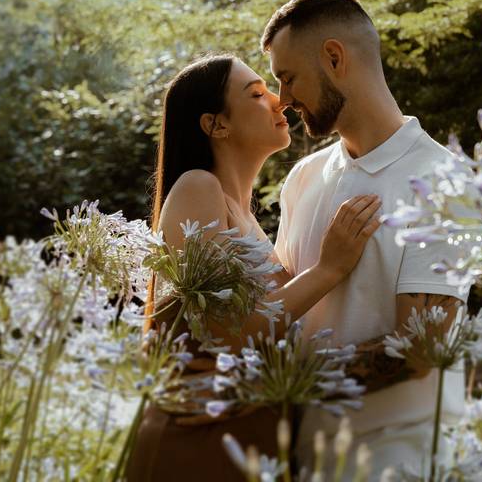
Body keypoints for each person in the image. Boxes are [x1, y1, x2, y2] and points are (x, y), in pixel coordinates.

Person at [126, 53, 381, 482]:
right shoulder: (197, 187)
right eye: (257, 94)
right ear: (216, 125)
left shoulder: (251, 224)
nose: (280, 102)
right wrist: (328, 269)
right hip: (198, 444)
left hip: (250, 437)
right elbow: (223, 328)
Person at [264, 0, 468, 478]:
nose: (284, 100)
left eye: (288, 79)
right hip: (305, 456)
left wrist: (286, 381)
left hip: (401, 460)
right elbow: (281, 311)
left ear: (334, 57)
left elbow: (420, 349)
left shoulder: (445, 180)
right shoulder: (303, 178)